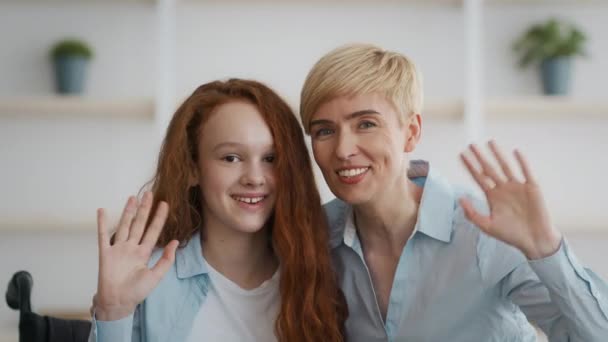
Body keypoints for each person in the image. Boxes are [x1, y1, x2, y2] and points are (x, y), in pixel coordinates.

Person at [299, 43, 608, 341]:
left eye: (366, 124)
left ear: (411, 133)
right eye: (324, 130)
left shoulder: (485, 232)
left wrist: (546, 249)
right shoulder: (314, 234)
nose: (343, 150)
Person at [88, 79, 347, 342]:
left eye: (271, 159)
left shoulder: (327, 268)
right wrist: (114, 311)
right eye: (231, 158)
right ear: (192, 168)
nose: (255, 178)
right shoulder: (147, 277)